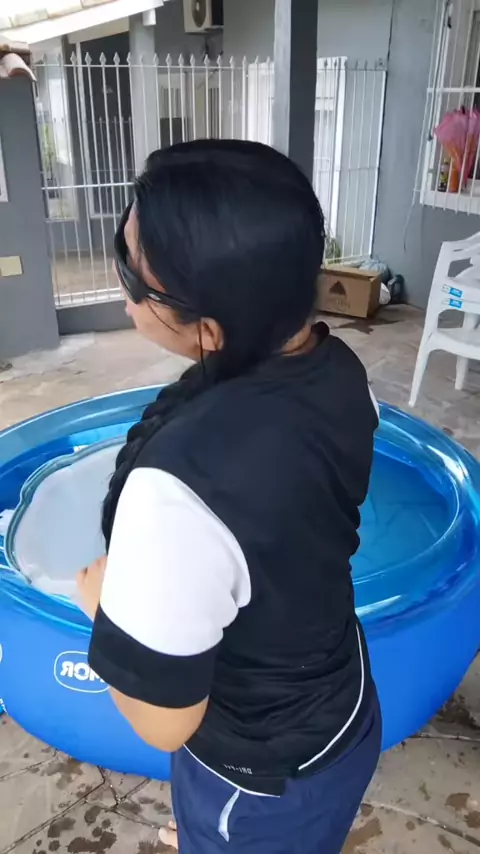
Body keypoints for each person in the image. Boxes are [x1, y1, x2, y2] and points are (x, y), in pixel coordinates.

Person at [76, 139, 381, 854]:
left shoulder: (178, 490)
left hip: (260, 779)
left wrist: (102, 606)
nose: (122, 288)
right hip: (340, 706)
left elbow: (166, 722)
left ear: (210, 330)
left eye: (132, 274)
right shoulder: (340, 371)